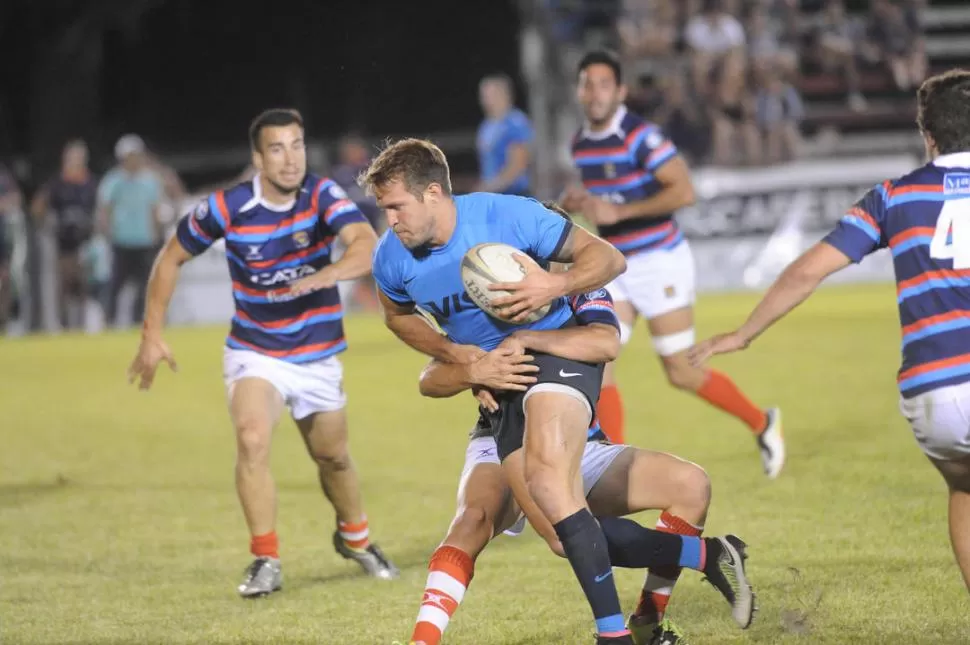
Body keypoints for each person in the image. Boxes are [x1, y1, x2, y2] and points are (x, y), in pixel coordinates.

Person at [405, 205, 755, 645]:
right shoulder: (490, 300)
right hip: (499, 438)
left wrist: (529, 339)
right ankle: (424, 640)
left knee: (691, 485)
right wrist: (472, 373)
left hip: (577, 441)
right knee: (485, 520)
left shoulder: (582, 293)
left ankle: (649, 620)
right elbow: (429, 379)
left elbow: (606, 342)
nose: (535, 263)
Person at [688, 69, 970, 592]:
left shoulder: (893, 197)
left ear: (928, 136)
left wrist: (743, 334)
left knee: (964, 489)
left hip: (933, 394)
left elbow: (806, 271)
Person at [365, 136, 637, 644]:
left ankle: (620, 627)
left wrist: (551, 286)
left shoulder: (509, 216)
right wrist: (461, 357)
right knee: (499, 522)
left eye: (396, 207)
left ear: (432, 194)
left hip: (552, 370)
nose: (391, 220)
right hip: (492, 396)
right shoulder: (391, 259)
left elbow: (609, 260)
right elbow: (397, 317)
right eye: (384, 210)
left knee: (557, 519)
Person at [125, 108, 399, 598]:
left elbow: (365, 243)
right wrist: (151, 333)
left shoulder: (321, 195)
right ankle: (265, 558)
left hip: (317, 353)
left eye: (297, 145)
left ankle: (356, 538)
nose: (291, 158)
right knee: (252, 439)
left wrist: (324, 274)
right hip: (257, 352)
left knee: (333, 457)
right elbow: (171, 257)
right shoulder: (227, 207)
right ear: (258, 158)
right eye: (278, 148)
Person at [561, 50, 784, 481]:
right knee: (598, 360)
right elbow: (605, 201)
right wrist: (582, 203)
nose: (594, 93)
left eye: (604, 84)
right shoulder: (580, 143)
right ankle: (610, 467)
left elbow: (683, 192)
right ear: (578, 90)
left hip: (659, 262)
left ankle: (762, 422)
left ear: (621, 91)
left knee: (681, 371)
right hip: (616, 266)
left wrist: (618, 213)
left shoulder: (640, 136)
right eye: (587, 83)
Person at [97, 134, 165, 328]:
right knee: (116, 284)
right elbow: (105, 209)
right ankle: (108, 320)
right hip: (121, 240)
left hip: (144, 240)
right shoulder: (113, 181)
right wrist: (107, 232)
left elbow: (154, 209)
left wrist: (156, 234)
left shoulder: (150, 180)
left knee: (145, 285)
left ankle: (138, 321)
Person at [31, 140, 99, 330]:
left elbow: (100, 208)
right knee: (64, 283)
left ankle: (82, 323)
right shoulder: (57, 183)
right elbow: (38, 206)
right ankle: (64, 324)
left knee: (84, 284)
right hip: (63, 241)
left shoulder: (91, 183)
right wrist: (45, 225)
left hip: (86, 241)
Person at [476, 74, 535, 196]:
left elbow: (519, 163)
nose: (484, 100)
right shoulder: (486, 126)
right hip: (494, 194)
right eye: (483, 95)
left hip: (515, 194)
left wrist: (493, 185)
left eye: (489, 95)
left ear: (503, 94)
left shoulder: (515, 122)